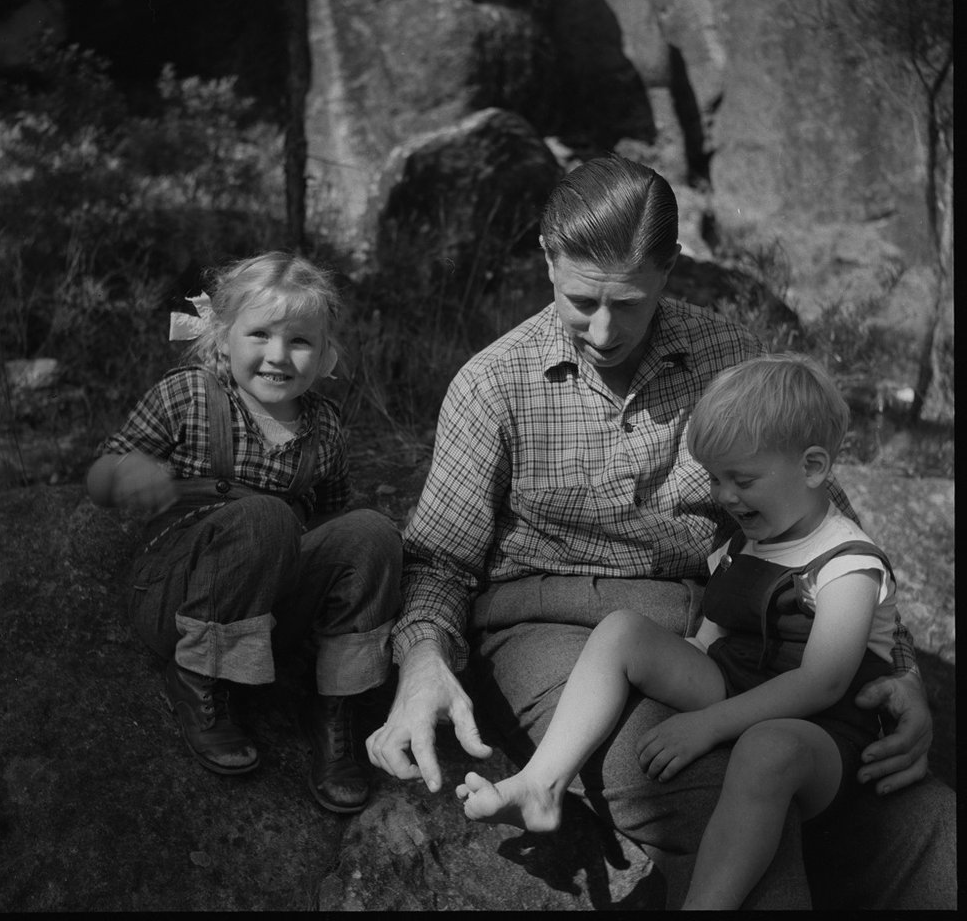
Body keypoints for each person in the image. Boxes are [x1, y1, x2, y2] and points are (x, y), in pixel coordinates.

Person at [366, 156, 955, 909]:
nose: (605, 330)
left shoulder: (728, 359)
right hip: (553, 627)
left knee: (923, 816)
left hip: (724, 628)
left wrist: (898, 669)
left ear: (671, 269)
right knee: (712, 798)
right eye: (583, 301)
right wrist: (422, 658)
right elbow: (441, 559)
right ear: (548, 255)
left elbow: (822, 523)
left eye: (632, 304)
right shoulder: (494, 385)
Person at [456, 353, 902, 909]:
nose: (725, 496)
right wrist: (678, 663)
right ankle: (542, 782)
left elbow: (824, 684)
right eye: (716, 479)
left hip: (824, 734)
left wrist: (707, 724)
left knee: (766, 749)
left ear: (813, 468)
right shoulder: (753, 537)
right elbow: (717, 627)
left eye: (743, 479)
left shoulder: (846, 563)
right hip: (739, 682)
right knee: (622, 631)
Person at [87, 251, 402, 814]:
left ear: (325, 351)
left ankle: (335, 702)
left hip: (270, 612)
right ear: (223, 337)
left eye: (300, 341)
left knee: (372, 532)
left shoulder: (325, 425)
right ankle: (198, 679)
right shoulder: (188, 394)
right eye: (260, 334)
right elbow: (104, 468)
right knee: (266, 515)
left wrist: (342, 562)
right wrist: (127, 475)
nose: (278, 356)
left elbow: (332, 522)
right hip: (181, 595)